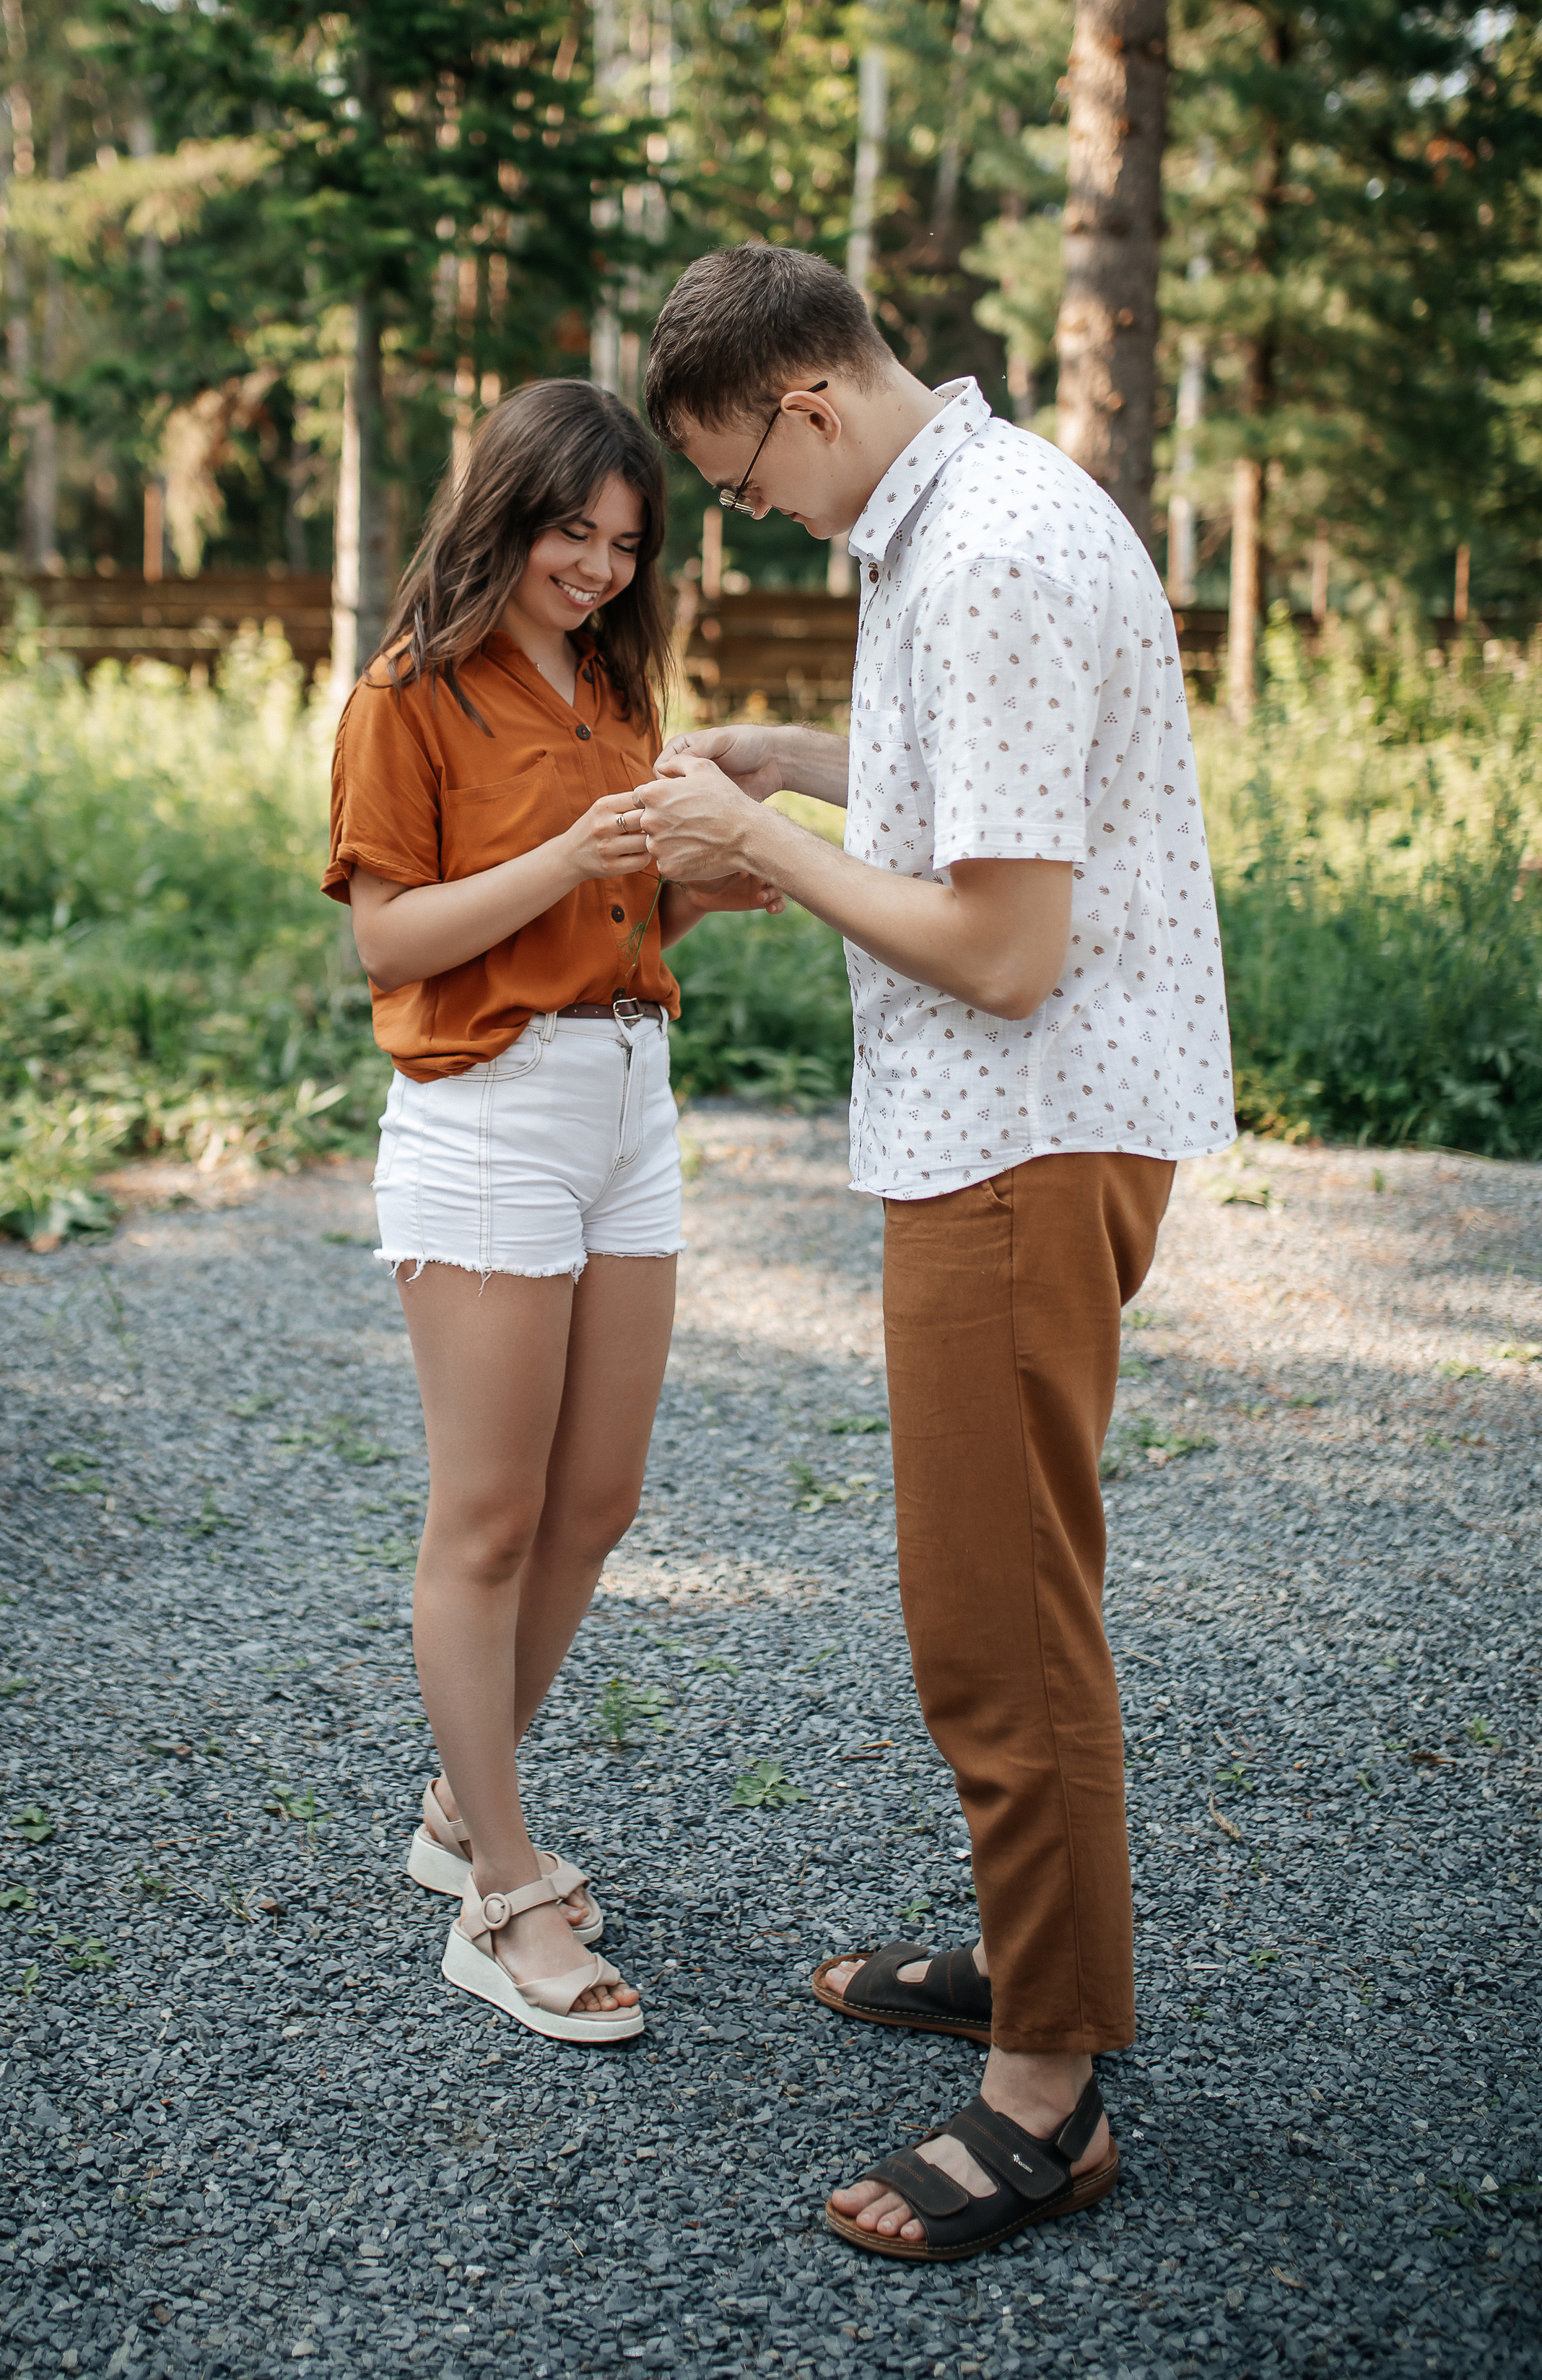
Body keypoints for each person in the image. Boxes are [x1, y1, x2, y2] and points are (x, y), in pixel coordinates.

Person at [634, 243, 1236, 2254]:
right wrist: (802, 768)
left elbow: (1000, 950)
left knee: (996, 1616)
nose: (752, 520)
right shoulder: (969, 513)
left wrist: (756, 855)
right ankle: (1028, 1951)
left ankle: (1045, 2098)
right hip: (1028, 1128)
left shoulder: (976, 559)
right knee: (1002, 1580)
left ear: (806, 402)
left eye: (738, 484)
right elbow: (990, 820)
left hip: (1022, 1132)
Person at [321, 377, 779, 2047]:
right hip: (483, 1117)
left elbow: (619, 915)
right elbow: (391, 939)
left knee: (597, 1500)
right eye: (569, 533)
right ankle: (497, 1887)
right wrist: (575, 854)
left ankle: (460, 1804)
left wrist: (712, 879)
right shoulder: (408, 695)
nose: (594, 568)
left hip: (625, 1097)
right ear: (503, 513)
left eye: (622, 543)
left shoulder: (608, 683)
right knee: (489, 1518)